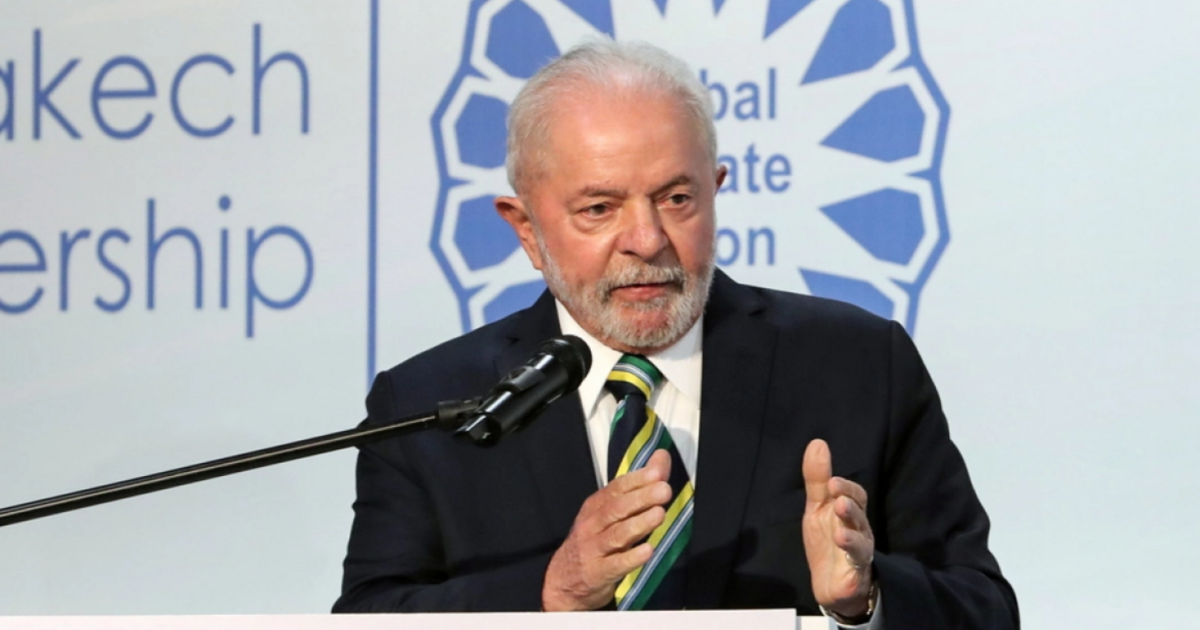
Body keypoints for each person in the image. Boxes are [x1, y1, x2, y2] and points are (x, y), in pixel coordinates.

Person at [334, 40, 1018, 629]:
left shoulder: (859, 365)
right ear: (526, 230)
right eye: (599, 208)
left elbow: (985, 609)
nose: (646, 239)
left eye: (676, 199)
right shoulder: (427, 408)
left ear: (715, 191)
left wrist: (865, 598)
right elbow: (370, 616)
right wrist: (552, 593)